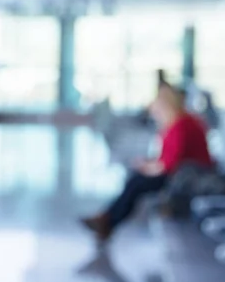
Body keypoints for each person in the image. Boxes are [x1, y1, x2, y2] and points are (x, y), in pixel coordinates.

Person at [80, 83, 212, 242]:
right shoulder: (177, 122)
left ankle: (107, 220)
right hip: (182, 172)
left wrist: (148, 167)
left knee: (137, 182)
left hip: (189, 176)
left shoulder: (181, 125)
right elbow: (168, 158)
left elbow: (170, 165)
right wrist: (148, 165)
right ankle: (107, 219)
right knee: (135, 179)